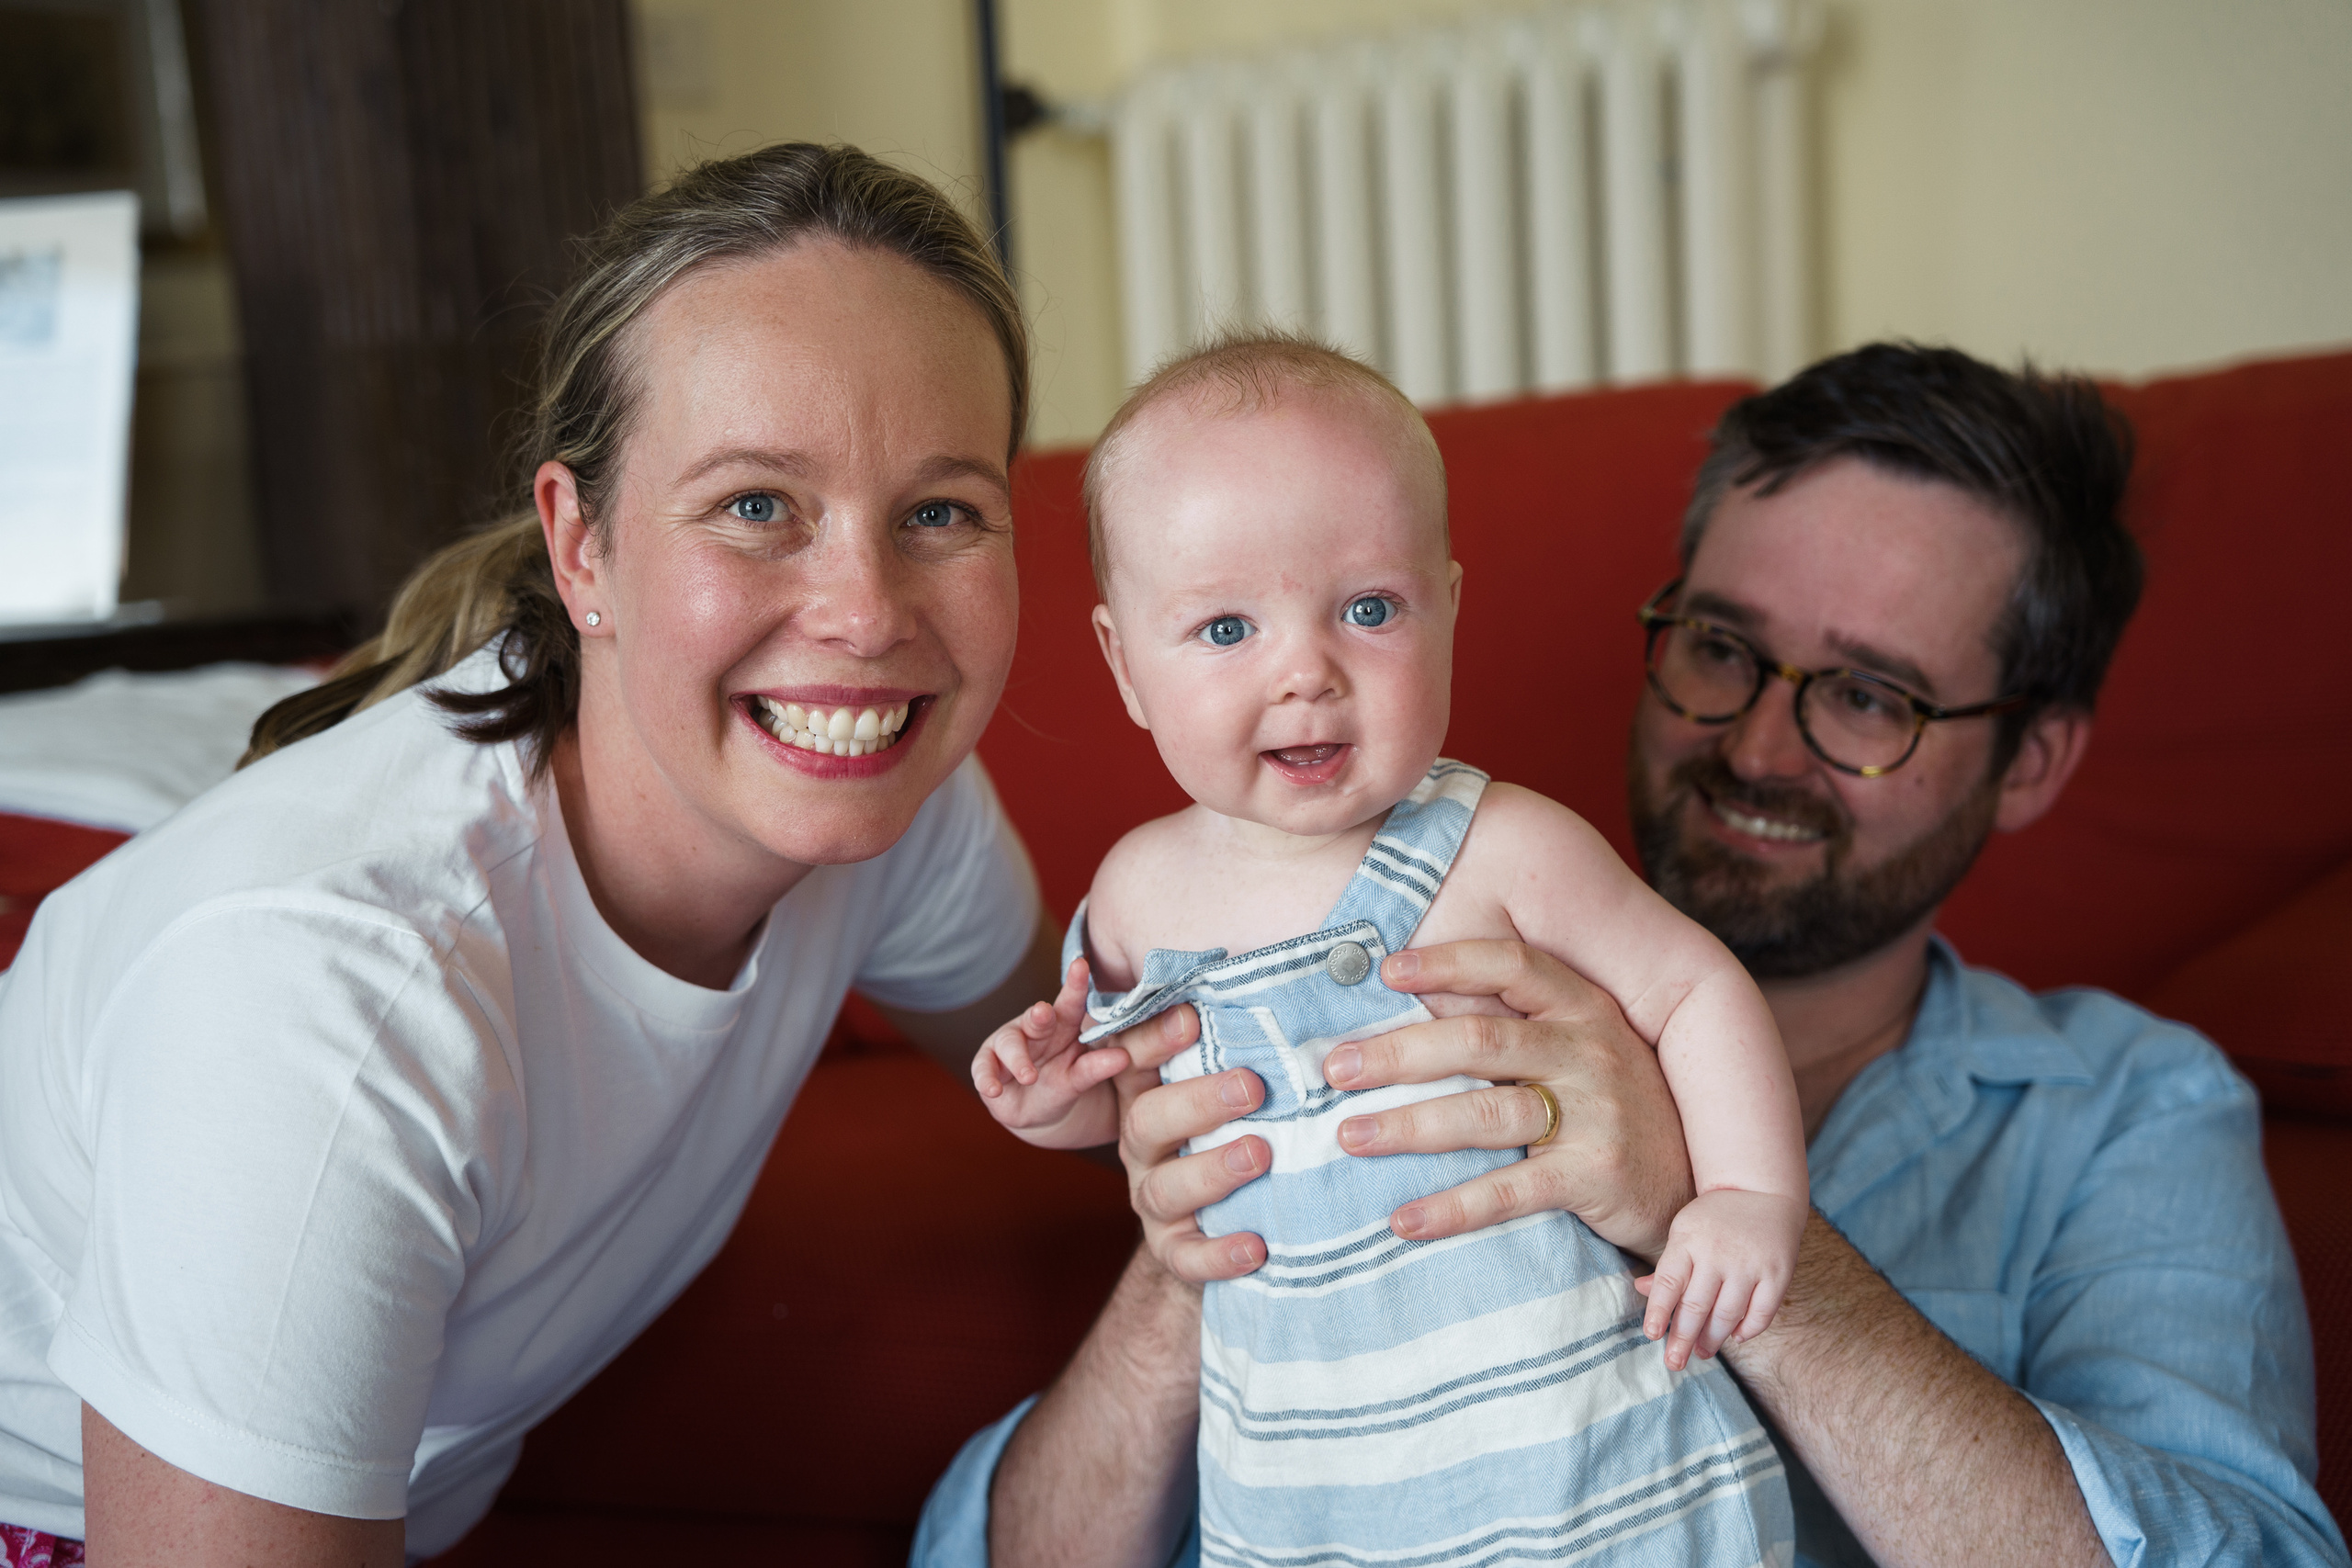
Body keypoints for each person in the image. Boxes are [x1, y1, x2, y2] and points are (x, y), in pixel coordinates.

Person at [916, 344, 2351, 1568]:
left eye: (1868, 696)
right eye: (1721, 648)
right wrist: (1193, 1253)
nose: (1761, 742)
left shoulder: (2130, 1110)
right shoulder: (1218, 903)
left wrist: (1706, 1206)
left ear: (2031, 760)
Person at [0, 143, 1084, 1565]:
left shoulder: (892, 802)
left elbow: (1094, 1089)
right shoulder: (322, 998)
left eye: (939, 511)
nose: (866, 613)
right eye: (757, 506)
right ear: (582, 549)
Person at [969, 336, 1804, 1563]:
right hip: (1313, 1492)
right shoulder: (1137, 894)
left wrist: (1748, 1199)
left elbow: (1693, 988)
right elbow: (1137, 1106)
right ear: (1123, 665)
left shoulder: (1501, 846)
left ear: (1448, 610)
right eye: (1224, 628)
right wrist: (1049, 1099)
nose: (1306, 671)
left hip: (1581, 1478)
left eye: (1369, 609)